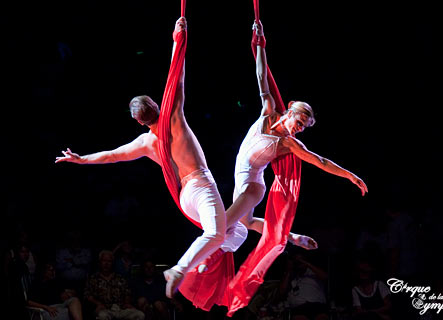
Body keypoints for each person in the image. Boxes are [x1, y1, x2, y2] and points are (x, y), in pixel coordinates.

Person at [55, 17, 247, 298]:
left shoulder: (146, 142)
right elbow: (176, 76)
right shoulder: (175, 120)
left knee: (237, 231)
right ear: (157, 104)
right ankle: (180, 268)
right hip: (202, 187)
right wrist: (177, 40)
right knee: (218, 234)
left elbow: (112, 156)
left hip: (186, 198)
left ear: (139, 122)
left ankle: (205, 259)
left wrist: (81, 159)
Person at [224, 20, 368, 249]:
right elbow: (261, 75)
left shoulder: (289, 144)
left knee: (219, 226)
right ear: (289, 110)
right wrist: (259, 43)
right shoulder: (268, 111)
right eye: (299, 122)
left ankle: (195, 267)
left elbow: (320, 161)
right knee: (247, 223)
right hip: (239, 179)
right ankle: (293, 237)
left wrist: (349, 175)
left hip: (253, 186)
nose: (299, 128)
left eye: (303, 127)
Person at [84, 250, 144, 320]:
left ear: (112, 263)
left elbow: (127, 292)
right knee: (102, 316)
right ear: (100, 262)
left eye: (109, 261)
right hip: (105, 309)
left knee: (140, 315)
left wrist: (127, 303)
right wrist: (98, 304)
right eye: (104, 261)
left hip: (121, 308)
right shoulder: (93, 278)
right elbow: (87, 295)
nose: (106, 264)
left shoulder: (119, 278)